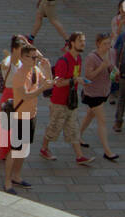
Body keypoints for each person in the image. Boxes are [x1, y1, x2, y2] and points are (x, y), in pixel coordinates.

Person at [39, 33, 96, 167]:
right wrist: (76, 80)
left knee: (73, 128)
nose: (83, 43)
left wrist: (79, 81)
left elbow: (74, 77)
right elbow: (58, 83)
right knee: (54, 127)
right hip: (59, 101)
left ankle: (79, 156)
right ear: (72, 43)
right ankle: (44, 148)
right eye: (80, 41)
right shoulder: (63, 61)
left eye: (84, 41)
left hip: (71, 101)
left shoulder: (78, 59)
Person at [3, 43, 52, 193]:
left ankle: (16, 176)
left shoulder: (35, 70)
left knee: (24, 148)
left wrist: (48, 68)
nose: (35, 60)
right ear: (24, 58)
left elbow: (48, 84)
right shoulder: (19, 76)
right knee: (15, 149)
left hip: (32, 114)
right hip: (20, 116)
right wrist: (41, 89)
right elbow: (25, 95)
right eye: (33, 57)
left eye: (36, 57)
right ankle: (7, 182)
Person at [78, 33, 118, 161]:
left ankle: (77, 135)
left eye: (109, 43)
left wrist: (115, 72)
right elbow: (88, 76)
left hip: (104, 91)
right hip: (93, 93)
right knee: (102, 121)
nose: (107, 46)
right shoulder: (91, 57)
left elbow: (112, 68)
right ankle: (107, 151)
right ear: (98, 44)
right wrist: (102, 66)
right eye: (104, 44)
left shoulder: (112, 52)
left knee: (90, 114)